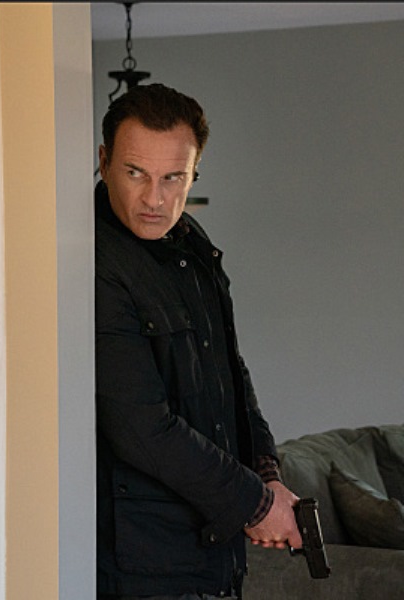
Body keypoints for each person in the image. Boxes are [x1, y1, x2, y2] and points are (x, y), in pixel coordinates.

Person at [95, 83, 302, 600]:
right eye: (135, 173)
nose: (154, 198)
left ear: (193, 175)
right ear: (103, 162)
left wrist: (267, 472)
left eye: (173, 177)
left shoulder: (193, 246)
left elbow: (232, 373)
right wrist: (254, 504)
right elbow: (140, 428)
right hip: (144, 565)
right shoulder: (94, 260)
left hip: (214, 555)